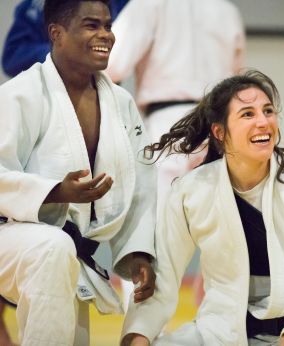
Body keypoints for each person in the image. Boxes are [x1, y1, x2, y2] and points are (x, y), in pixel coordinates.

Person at [120, 70, 284, 346]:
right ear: (220, 132)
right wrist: (138, 336)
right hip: (218, 333)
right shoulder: (192, 191)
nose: (263, 122)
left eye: (268, 111)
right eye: (248, 114)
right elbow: (162, 279)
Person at [0, 0, 157, 345]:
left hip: (65, 251)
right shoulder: (19, 95)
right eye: (91, 25)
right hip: (11, 237)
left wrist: (138, 251)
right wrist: (56, 191)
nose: (105, 35)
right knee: (52, 247)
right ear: (56, 33)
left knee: (70, 334)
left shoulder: (120, 102)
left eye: (108, 25)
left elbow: (142, 185)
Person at [105, 0, 246, 308]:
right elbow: (239, 79)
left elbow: (111, 65)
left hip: (167, 126)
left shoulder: (148, 4)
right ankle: (220, 329)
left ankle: (141, 333)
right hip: (220, 128)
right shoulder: (226, 10)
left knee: (149, 237)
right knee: (224, 239)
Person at [1, 0, 129, 77]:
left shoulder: (124, 3)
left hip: (104, 96)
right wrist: (67, 51)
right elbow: (12, 58)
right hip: (47, 96)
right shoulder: (39, 4)